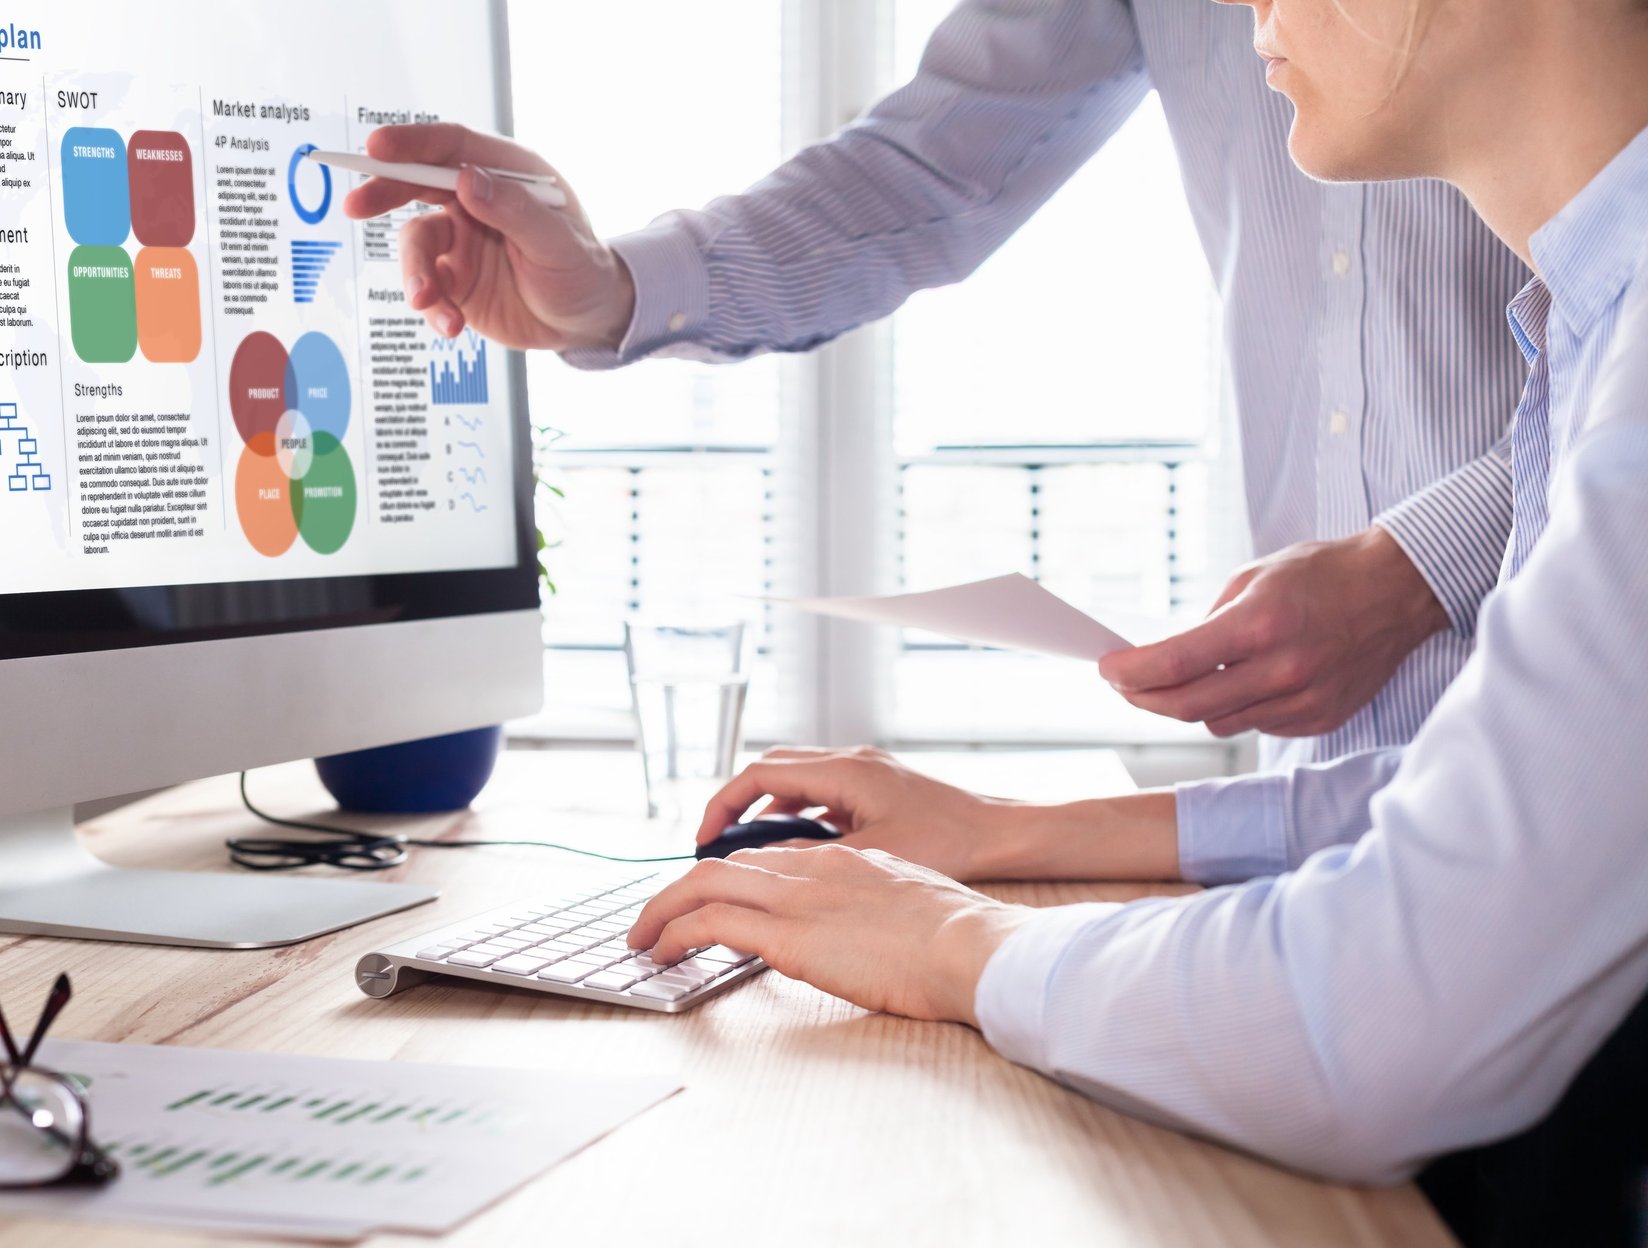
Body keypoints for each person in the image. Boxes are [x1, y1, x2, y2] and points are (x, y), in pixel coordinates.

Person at [623, 0, 1648, 1248]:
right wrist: (1006, 836)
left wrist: (954, 943)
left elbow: (1377, 1013)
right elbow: (1489, 805)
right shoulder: (1591, 327)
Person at [346, 0, 1529, 769]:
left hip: (1579, 721)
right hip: (1324, 774)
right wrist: (608, 288)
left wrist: (1425, 564)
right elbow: (932, 170)